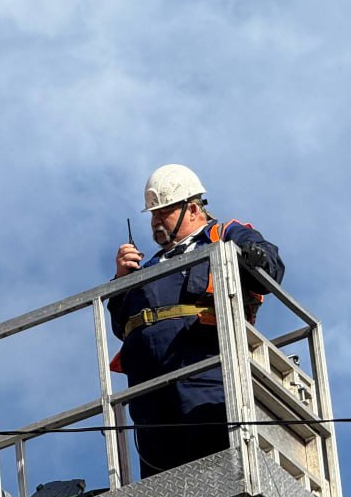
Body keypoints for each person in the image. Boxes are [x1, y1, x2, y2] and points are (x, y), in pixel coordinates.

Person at [108, 164, 284, 478]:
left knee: (215, 457)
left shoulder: (222, 235)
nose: (156, 221)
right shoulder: (148, 268)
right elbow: (121, 323)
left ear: (192, 208)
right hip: (148, 383)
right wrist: (121, 281)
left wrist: (251, 256)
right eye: (153, 214)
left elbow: (268, 263)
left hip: (202, 369)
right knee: (160, 472)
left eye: (164, 212)